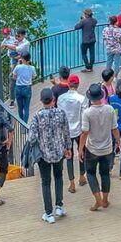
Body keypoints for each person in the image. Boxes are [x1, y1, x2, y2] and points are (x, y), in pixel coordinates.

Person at [31, 87, 70, 223]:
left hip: (43, 154)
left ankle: (48, 213)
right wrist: (68, 148)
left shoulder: (37, 116)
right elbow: (66, 132)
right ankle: (59, 205)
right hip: (59, 152)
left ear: (41, 100)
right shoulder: (61, 113)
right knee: (58, 177)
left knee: (46, 182)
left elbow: (32, 138)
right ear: (53, 99)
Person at [79, 83, 121, 211]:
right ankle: (105, 200)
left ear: (90, 98)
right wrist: (118, 141)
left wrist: (80, 149)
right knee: (105, 174)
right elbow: (114, 128)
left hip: (92, 149)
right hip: (107, 147)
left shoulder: (88, 113)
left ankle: (98, 201)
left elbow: (85, 132)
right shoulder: (109, 109)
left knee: (91, 173)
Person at [57, 74, 87, 193]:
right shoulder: (82, 98)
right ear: (78, 85)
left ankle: (72, 183)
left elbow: (60, 116)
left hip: (66, 131)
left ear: (68, 84)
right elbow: (84, 116)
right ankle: (81, 176)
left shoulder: (61, 98)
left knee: (69, 157)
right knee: (81, 153)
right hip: (79, 130)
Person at [11, 52, 37, 123]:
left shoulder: (18, 67)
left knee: (20, 107)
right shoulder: (32, 68)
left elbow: (14, 77)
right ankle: (25, 124)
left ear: (22, 58)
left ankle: (21, 122)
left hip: (18, 88)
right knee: (26, 108)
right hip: (27, 88)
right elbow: (34, 77)